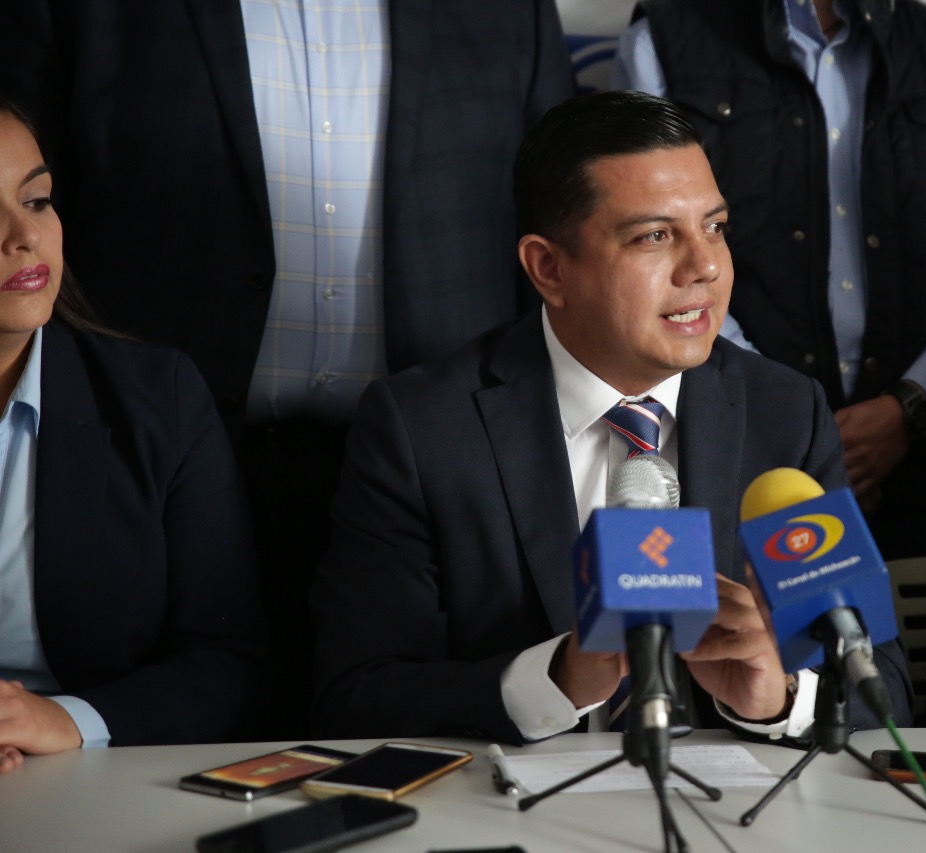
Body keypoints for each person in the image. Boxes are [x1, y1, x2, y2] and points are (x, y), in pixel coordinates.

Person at [0, 1, 575, 734]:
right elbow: (23, 161)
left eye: (36, 206)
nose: (22, 234)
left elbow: (563, 223)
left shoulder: (509, 13)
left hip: (435, 478)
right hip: (162, 460)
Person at [310, 91, 912, 744]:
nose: (706, 266)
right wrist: (556, 680)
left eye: (714, 227)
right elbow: (358, 694)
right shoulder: (422, 428)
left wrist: (777, 700)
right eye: (655, 236)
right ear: (549, 268)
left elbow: (883, 688)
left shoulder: (785, 412)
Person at [612, 0, 926, 559]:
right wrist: (790, 419)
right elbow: (656, 266)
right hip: (735, 446)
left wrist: (908, 409)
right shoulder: (662, 46)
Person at [0, 100, 265, 773]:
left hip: (95, 777)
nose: (23, 237)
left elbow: (222, 660)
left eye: (36, 201)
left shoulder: (159, 398)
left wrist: (64, 720)